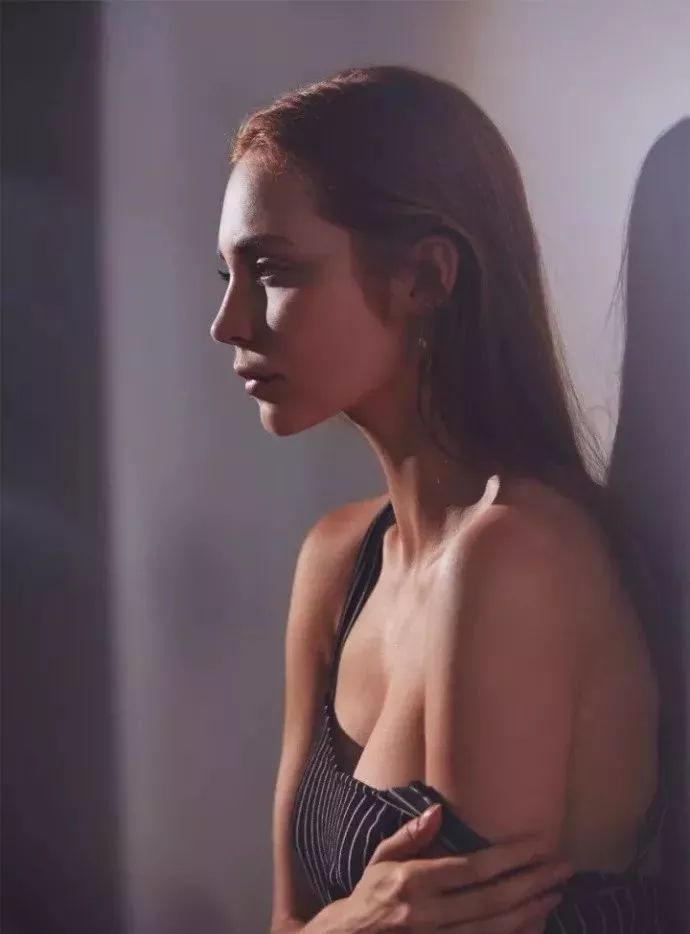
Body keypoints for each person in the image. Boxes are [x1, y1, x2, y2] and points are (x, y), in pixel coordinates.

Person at [211, 65, 667, 933]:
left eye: (270, 270)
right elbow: (288, 922)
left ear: (425, 277)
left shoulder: (514, 559)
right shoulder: (337, 562)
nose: (228, 322)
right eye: (224, 274)